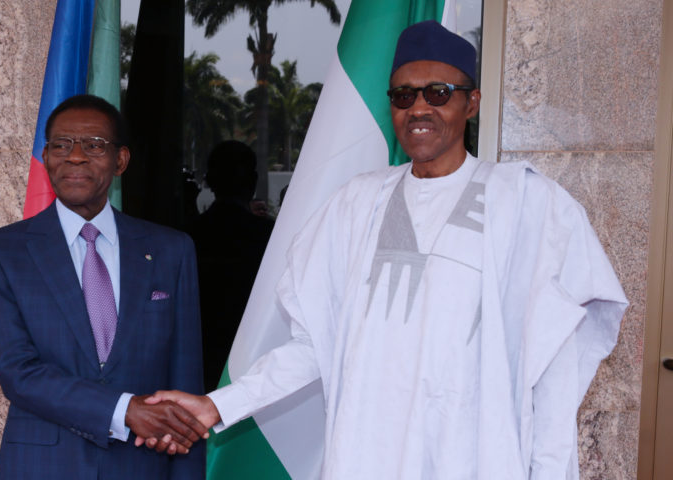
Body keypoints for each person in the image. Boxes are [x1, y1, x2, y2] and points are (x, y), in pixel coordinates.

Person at [145, 21, 629, 479]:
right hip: (367, 454)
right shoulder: (356, 205)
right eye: (403, 95)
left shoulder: (528, 203)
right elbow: (314, 346)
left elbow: (559, 360)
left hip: (476, 456)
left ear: (472, 102)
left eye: (438, 93)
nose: (419, 107)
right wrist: (219, 405)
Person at [0, 94, 208, 479]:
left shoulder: (171, 250)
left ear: (120, 161)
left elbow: (185, 384)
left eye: (94, 145)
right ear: (47, 157)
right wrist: (124, 410)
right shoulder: (3, 250)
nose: (76, 156)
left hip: (142, 466)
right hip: (41, 466)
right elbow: (18, 372)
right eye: (61, 145)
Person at [188, 141, 274, 389]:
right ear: (253, 180)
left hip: (204, 361)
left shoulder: (188, 236)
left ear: (209, 180)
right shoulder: (270, 236)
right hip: (257, 361)